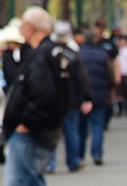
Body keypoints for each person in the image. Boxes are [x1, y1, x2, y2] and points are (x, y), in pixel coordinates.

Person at [2, 7, 72, 186]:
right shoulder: (52, 52)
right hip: (45, 125)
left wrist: (25, 123)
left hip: (32, 127)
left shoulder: (42, 54)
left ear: (30, 28)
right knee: (34, 175)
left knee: (22, 177)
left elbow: (43, 94)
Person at [46, 20, 93, 173]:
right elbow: (83, 78)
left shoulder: (48, 54)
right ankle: (73, 161)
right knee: (71, 131)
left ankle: (50, 163)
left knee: (52, 131)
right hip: (70, 100)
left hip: (53, 100)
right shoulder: (73, 55)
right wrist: (87, 97)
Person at [79, 30, 114, 166]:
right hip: (100, 94)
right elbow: (111, 75)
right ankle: (97, 153)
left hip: (83, 95)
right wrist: (111, 91)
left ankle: (79, 155)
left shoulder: (79, 54)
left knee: (81, 127)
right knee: (98, 125)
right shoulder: (103, 54)